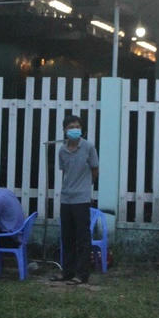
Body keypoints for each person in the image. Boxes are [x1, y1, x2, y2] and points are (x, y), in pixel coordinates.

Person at [55, 114, 99, 284]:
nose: (74, 130)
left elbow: (95, 169)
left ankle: (81, 274)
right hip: (66, 197)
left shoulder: (88, 147)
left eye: (77, 127)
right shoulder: (62, 150)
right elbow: (65, 171)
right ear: (65, 130)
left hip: (81, 198)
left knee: (82, 238)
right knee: (67, 237)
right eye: (71, 127)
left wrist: (86, 186)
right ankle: (67, 271)